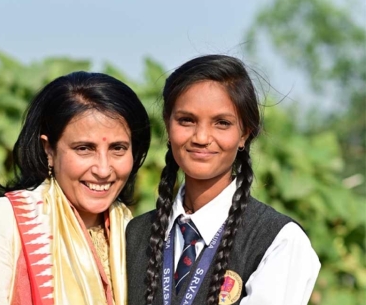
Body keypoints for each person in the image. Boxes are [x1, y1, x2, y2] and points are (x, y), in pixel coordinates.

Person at [0, 71, 151, 305]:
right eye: (84, 148)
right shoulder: (7, 221)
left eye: (118, 148)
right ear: (48, 150)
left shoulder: (134, 231)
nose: (103, 169)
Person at [126, 55, 320, 305]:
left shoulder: (279, 241)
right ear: (167, 124)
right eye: (187, 120)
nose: (202, 137)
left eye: (222, 123)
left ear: (244, 135)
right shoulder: (134, 234)